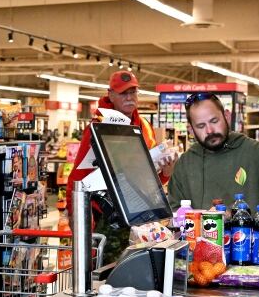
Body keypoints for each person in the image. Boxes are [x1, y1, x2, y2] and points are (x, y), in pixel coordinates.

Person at [67, 70, 177, 262]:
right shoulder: (98, 127)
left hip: (142, 216)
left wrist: (165, 173)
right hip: (111, 218)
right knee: (109, 277)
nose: (129, 98)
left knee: (142, 273)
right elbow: (78, 177)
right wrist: (77, 220)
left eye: (133, 92)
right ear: (110, 95)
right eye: (123, 93)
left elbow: (148, 176)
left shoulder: (144, 126)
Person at [167, 92, 259, 210]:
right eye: (201, 126)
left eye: (214, 121)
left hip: (249, 241)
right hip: (199, 242)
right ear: (191, 130)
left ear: (227, 116)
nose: (210, 131)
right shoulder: (185, 164)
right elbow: (174, 214)